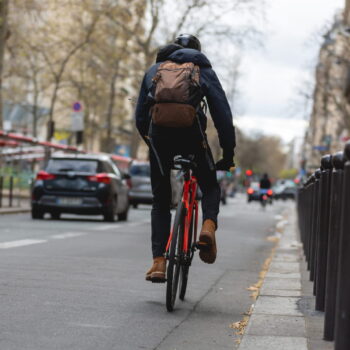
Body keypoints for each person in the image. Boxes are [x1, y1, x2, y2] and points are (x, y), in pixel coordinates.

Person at [134, 34, 236, 282]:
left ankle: (159, 262)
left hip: (160, 137)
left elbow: (140, 115)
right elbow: (221, 113)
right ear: (197, 51)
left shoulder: (155, 69)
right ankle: (208, 227)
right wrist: (228, 153)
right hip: (192, 136)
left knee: (161, 199)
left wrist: (151, 143)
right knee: (210, 185)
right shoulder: (203, 70)